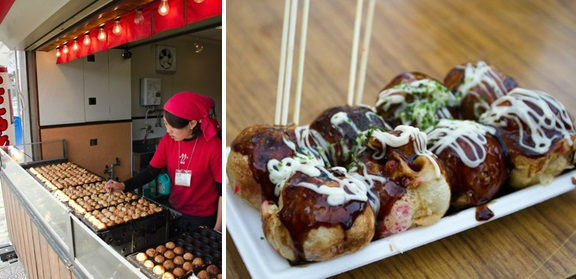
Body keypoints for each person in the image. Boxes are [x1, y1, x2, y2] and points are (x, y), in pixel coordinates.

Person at [105, 92, 222, 232]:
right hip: (174, 210)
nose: (168, 131)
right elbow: (150, 171)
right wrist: (124, 185)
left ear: (192, 123)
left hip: (202, 218)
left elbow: (222, 192)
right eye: (166, 124)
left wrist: (218, 227)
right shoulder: (168, 141)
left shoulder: (214, 146)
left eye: (172, 127)